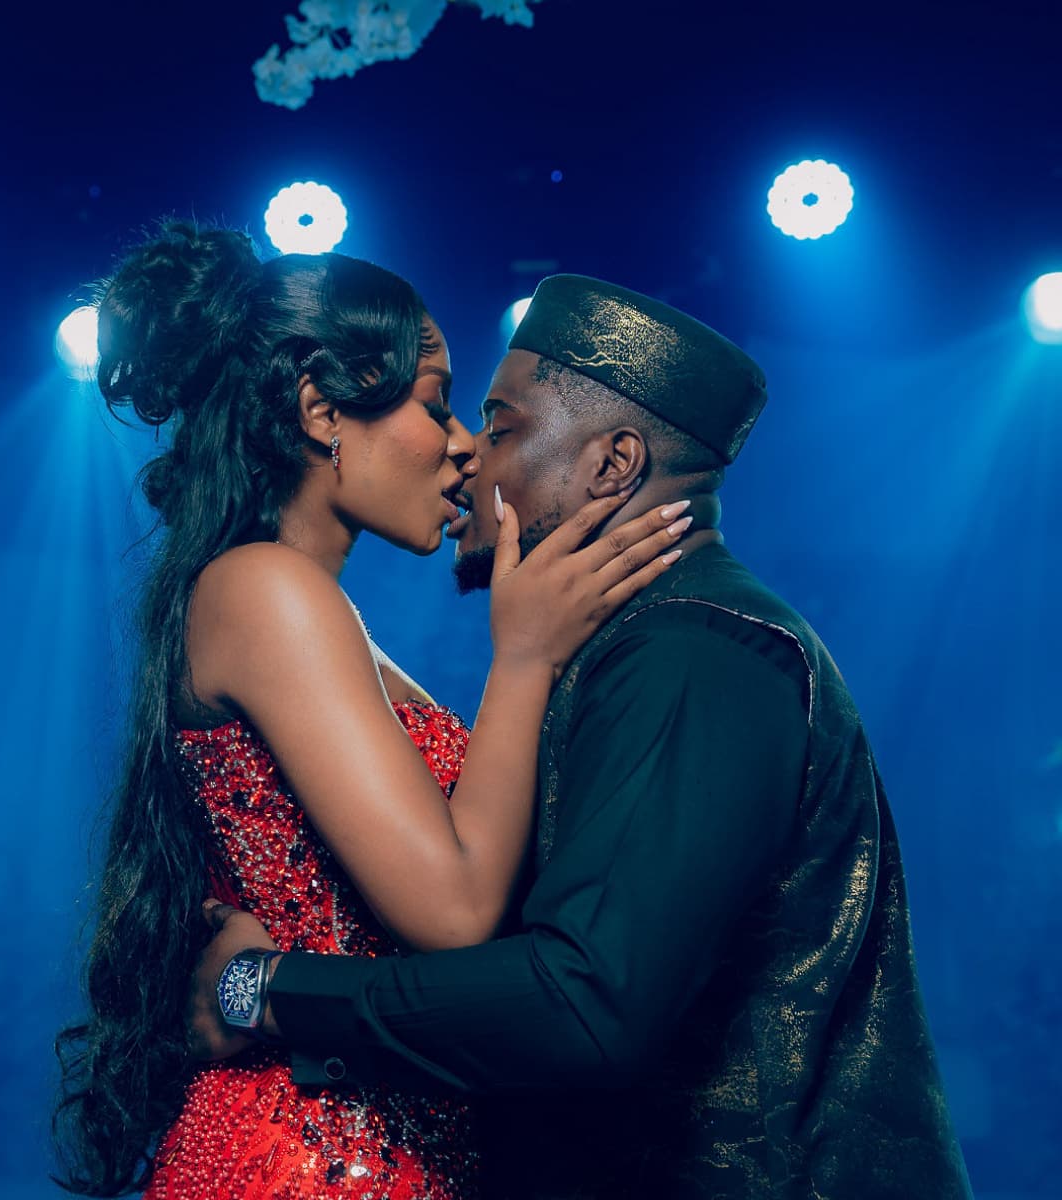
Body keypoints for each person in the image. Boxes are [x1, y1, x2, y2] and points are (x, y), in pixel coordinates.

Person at [190, 274, 976, 1200]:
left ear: (610, 465)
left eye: (499, 426)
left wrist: (265, 990)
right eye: (449, 412)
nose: (468, 454)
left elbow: (581, 1000)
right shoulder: (621, 648)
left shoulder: (692, 652)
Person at [50, 226, 695, 1199]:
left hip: (372, 1152)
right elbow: (454, 910)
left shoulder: (313, 613)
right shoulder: (264, 589)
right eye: (435, 405)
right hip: (306, 1160)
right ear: (321, 411)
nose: (464, 446)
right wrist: (524, 656)